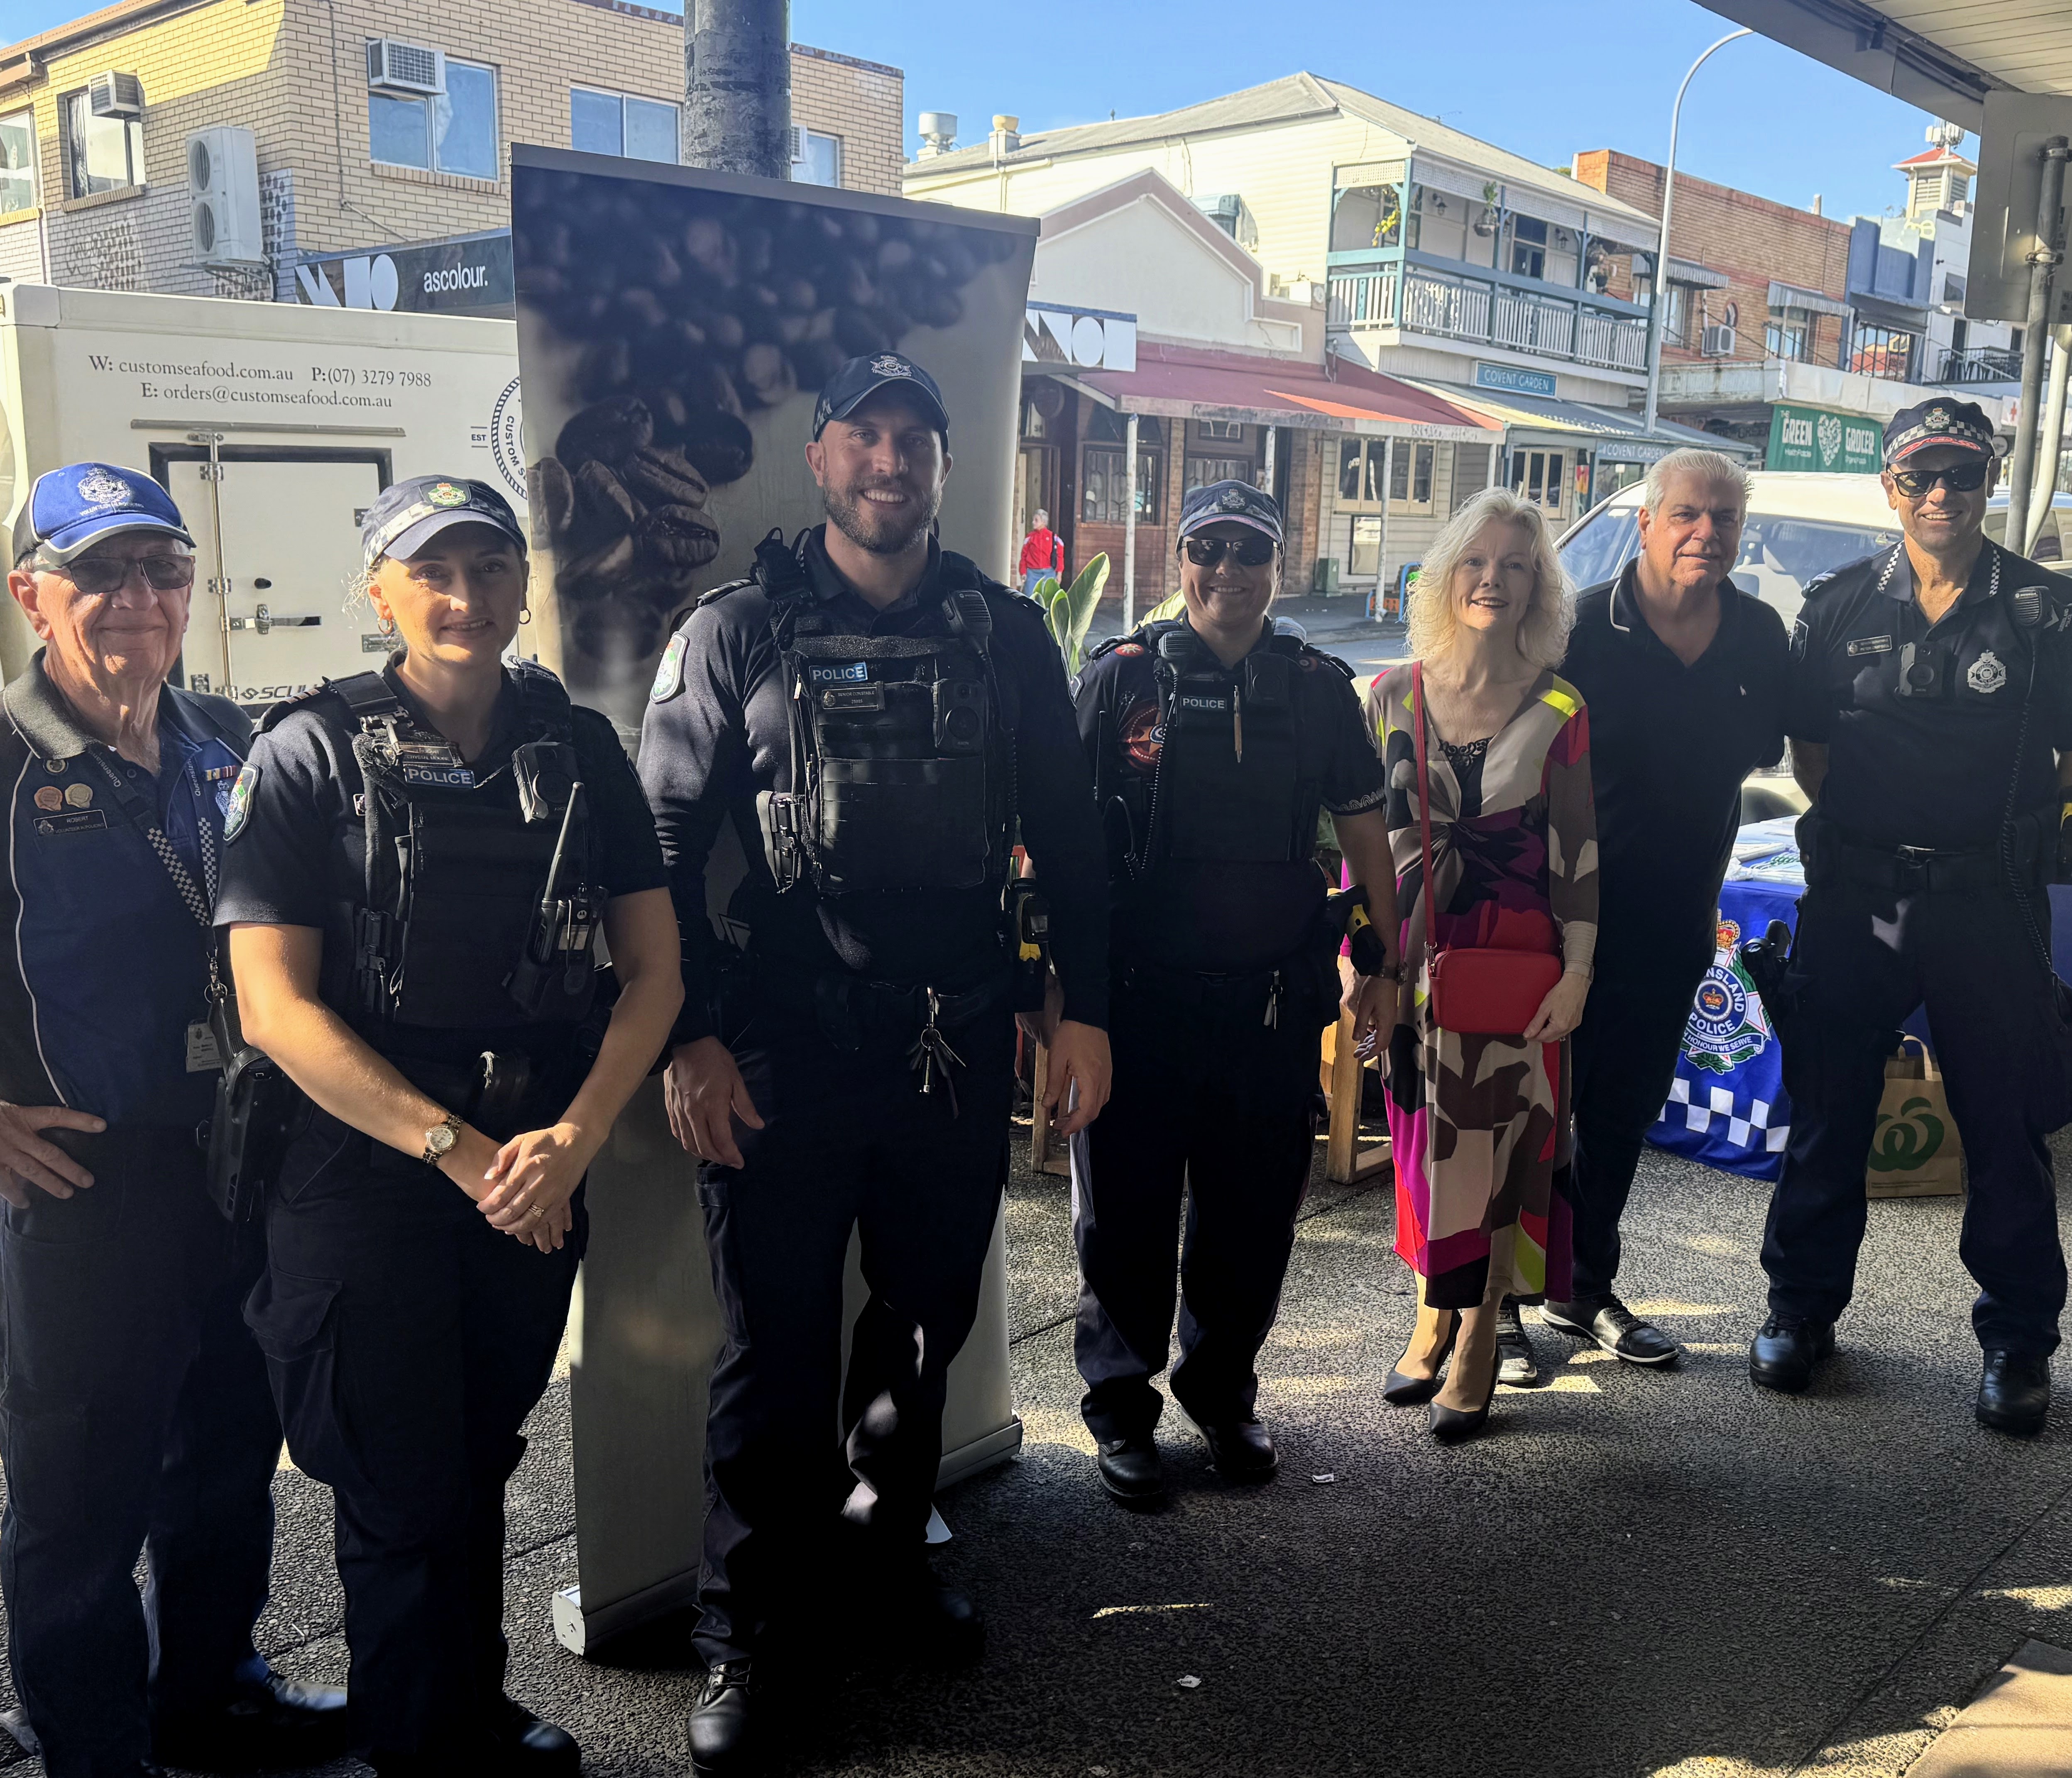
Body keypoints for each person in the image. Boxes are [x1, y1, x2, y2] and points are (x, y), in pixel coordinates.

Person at [643, 352, 1111, 1775]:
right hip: (781, 1053)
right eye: (864, 436)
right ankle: (747, 1629)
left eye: (916, 438)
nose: (890, 459)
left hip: (953, 1044)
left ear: (943, 469)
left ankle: (888, 1552)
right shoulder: (732, 631)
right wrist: (687, 1036)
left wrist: (1073, 1003)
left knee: (917, 1334)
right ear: (825, 460)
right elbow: (654, 848)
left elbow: (1074, 839)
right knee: (770, 1358)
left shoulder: (1007, 635)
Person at [215, 475, 683, 1773]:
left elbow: (654, 973)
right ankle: (417, 1747)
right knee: (396, 1485)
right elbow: (275, 1009)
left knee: (474, 1460)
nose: (466, 595)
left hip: (537, 1165)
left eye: (488, 567)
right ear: (380, 591)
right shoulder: (306, 753)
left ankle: (463, 1718)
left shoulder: (577, 749)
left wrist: (573, 1143)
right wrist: (468, 1157)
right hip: (369, 1178)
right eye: (432, 570)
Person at [0, 463, 348, 1778]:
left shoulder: (221, 739)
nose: (137, 600)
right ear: (33, 595)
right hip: (86, 1181)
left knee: (220, 1454)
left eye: (161, 571)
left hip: (237, 1158)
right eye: (99, 574)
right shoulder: (5, 757)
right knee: (81, 1485)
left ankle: (205, 1691)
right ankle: (91, 1745)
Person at [1067, 480, 1397, 1503]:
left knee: (1252, 1221)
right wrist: (1053, 996)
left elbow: (1364, 839)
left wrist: (1379, 967)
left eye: (1250, 552)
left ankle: (1221, 1393)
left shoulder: (1314, 686)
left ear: (1278, 566)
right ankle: (1121, 1409)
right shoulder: (1120, 679)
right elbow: (1058, 845)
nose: (1228, 572)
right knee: (1122, 1221)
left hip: (1268, 1005)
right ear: (1181, 559)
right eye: (1208, 548)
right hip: (1135, 1001)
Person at [1753, 400, 2072, 1436]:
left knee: (2006, 1124)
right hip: (1863, 897)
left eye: (1964, 477)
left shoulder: (2047, 611)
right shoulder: (1838, 605)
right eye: (1921, 477)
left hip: (1993, 901)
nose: (1943, 495)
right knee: (1830, 1109)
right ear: (1890, 487)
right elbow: (1814, 753)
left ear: (1989, 485)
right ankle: (1802, 1310)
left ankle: (2019, 1338)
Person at [1542, 449, 1789, 1375]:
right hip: (1556, 917)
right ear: (1643, 522)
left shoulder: (1759, 636)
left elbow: (1772, 752)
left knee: (1617, 1117)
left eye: (1723, 519)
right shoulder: (1573, 627)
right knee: (1534, 1112)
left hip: (1673, 921)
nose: (1705, 534)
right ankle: (1500, 1308)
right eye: (1685, 515)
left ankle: (1583, 1288)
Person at [1367, 486, 1596, 1443]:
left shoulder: (1557, 708)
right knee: (1425, 1155)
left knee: (1503, 1160)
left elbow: (1579, 857)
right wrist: (1362, 960)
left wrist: (1577, 975)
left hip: (1517, 967)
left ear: (1537, 585)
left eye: (1515, 565)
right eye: (1477, 562)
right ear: (1446, 575)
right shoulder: (1388, 695)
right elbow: (1362, 849)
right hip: (1416, 969)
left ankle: (1474, 1340)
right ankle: (1431, 1309)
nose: (1494, 581)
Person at [1019, 508, 1063, 596]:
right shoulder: (1030, 538)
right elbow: (1023, 557)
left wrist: (1059, 573)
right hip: (1032, 574)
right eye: (1033, 520)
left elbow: (1060, 556)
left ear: (1043, 522)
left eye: (1036, 520)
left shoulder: (1053, 537)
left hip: (1049, 573)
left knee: (1048, 600)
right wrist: (1023, 572)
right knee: (1031, 599)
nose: (1033, 522)